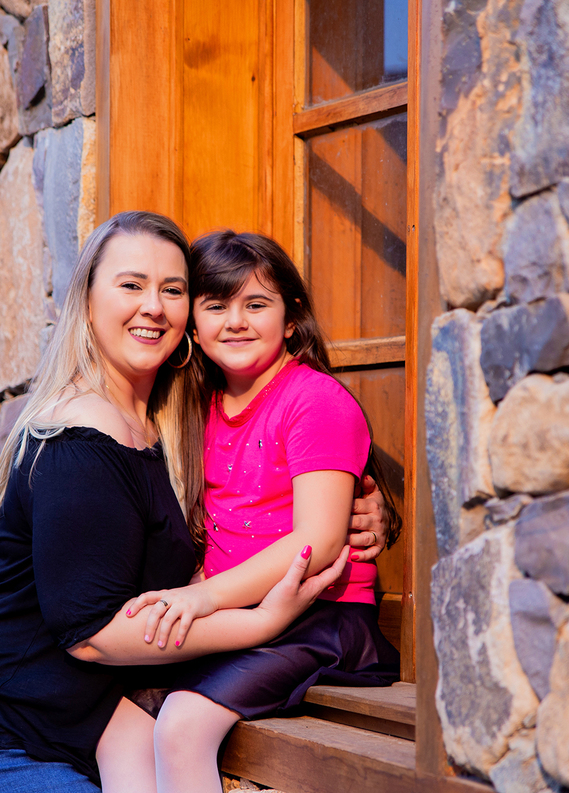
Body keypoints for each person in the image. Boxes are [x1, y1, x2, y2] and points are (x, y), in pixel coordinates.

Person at [0, 212, 389, 792]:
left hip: (67, 740)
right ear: (87, 302)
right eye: (131, 285)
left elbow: (282, 496)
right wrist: (260, 621)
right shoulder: (79, 441)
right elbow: (93, 634)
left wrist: (368, 510)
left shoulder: (174, 419)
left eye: (173, 289)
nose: (154, 306)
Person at [97, 230, 402, 793]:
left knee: (183, 727)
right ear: (193, 322)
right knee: (120, 730)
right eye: (216, 306)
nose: (235, 321)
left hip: (322, 615)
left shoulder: (313, 400)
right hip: (245, 611)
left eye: (256, 304)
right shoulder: (195, 403)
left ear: (291, 319)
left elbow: (321, 540)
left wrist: (203, 597)